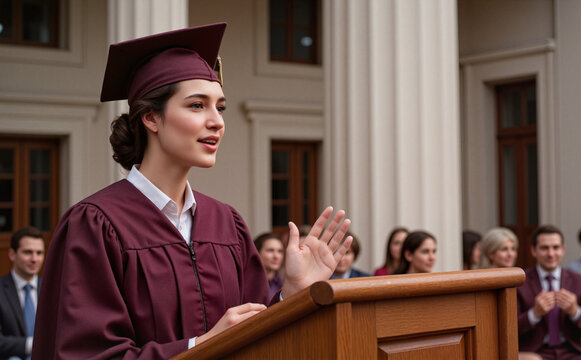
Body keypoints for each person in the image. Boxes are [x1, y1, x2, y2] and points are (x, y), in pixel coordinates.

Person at [31, 23, 352, 359]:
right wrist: (200, 347)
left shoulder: (227, 224)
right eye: (197, 105)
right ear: (151, 117)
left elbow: (257, 334)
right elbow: (88, 355)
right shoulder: (95, 225)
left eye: (220, 107)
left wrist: (291, 295)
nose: (217, 121)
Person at [517, 225, 581, 360]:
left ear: (563, 250)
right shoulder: (520, 282)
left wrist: (575, 311)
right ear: (533, 250)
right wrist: (534, 314)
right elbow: (509, 330)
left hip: (572, 351)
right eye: (544, 248)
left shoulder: (580, 281)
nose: (550, 254)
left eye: (555, 248)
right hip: (536, 352)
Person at [0, 227, 45, 360]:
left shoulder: (54, 290)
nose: (34, 259)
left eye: (39, 253)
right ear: (12, 254)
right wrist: (32, 344)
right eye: (28, 252)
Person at [253, 233, 285, 299]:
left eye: (280, 251)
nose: (276, 256)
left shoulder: (283, 285)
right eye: (270, 250)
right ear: (257, 252)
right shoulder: (247, 284)